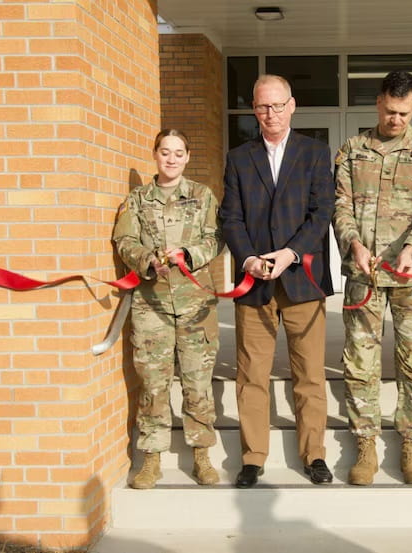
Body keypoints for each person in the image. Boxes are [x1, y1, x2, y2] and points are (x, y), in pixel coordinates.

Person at [333, 70, 412, 486]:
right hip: (363, 276)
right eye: (388, 111)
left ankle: (411, 447)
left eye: (403, 113)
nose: (395, 120)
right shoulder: (352, 150)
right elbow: (341, 207)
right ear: (378, 102)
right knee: (360, 364)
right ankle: (365, 445)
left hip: (411, 279)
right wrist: (352, 243)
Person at [220, 74, 335, 488]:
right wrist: (248, 258)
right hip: (255, 283)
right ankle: (253, 458)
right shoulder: (238, 157)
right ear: (254, 109)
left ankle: (315, 455)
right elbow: (230, 217)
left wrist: (290, 254)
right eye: (262, 106)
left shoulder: (315, 153)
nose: (270, 113)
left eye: (277, 105)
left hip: (302, 278)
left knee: (309, 375)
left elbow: (322, 213)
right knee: (252, 375)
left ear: (292, 105)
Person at [113, 129, 223, 490]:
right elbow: (124, 240)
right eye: (165, 152)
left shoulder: (202, 196)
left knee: (197, 383)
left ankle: (202, 455)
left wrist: (189, 256)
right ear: (155, 155)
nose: (171, 159)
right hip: (152, 304)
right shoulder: (137, 199)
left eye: (178, 153)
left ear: (188, 157)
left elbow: (216, 238)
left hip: (195, 305)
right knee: (153, 385)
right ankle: (151, 459)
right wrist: (146, 260)